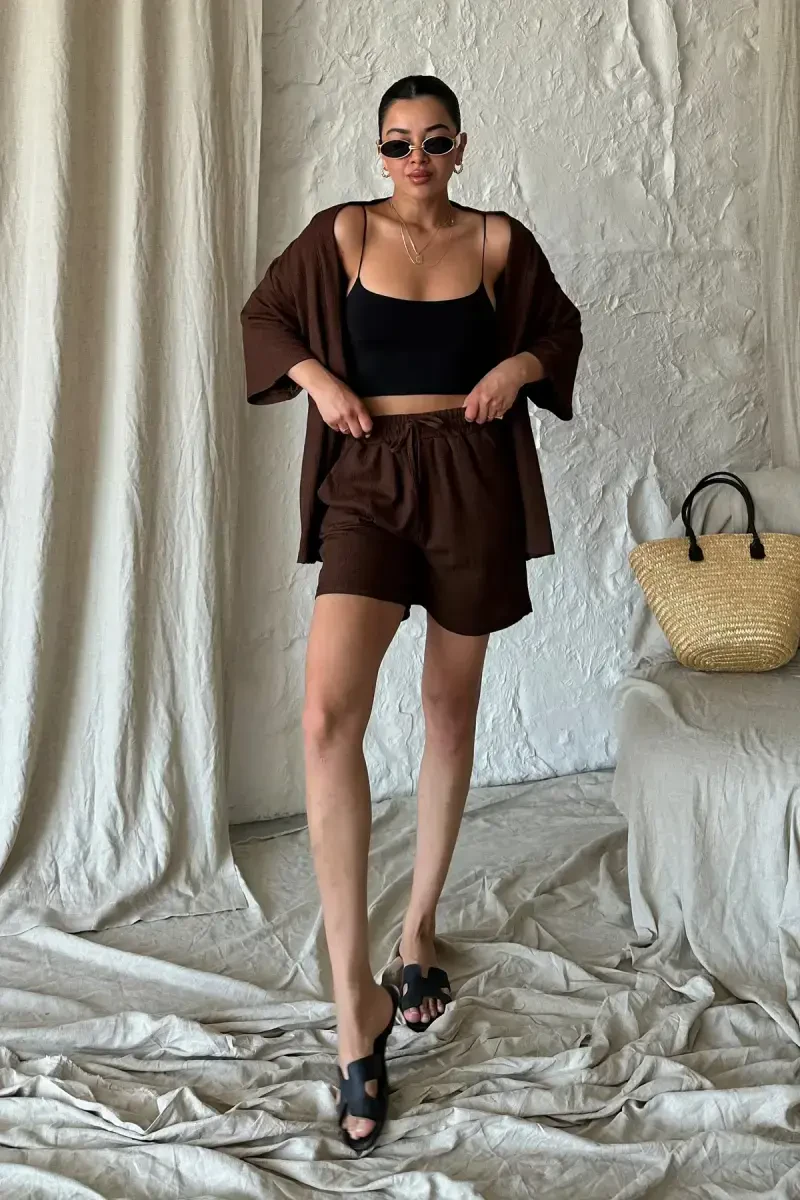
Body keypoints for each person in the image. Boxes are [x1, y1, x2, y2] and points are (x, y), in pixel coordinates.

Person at [241, 74, 583, 1156]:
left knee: (447, 711)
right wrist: (315, 378)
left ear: (460, 147)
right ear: (378, 150)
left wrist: (518, 363)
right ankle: (356, 1005)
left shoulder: (495, 241)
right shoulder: (342, 233)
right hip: (369, 482)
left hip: (469, 481)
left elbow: (558, 329)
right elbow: (264, 316)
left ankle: (418, 928)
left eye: (434, 142)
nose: (415, 161)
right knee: (325, 719)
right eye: (397, 143)